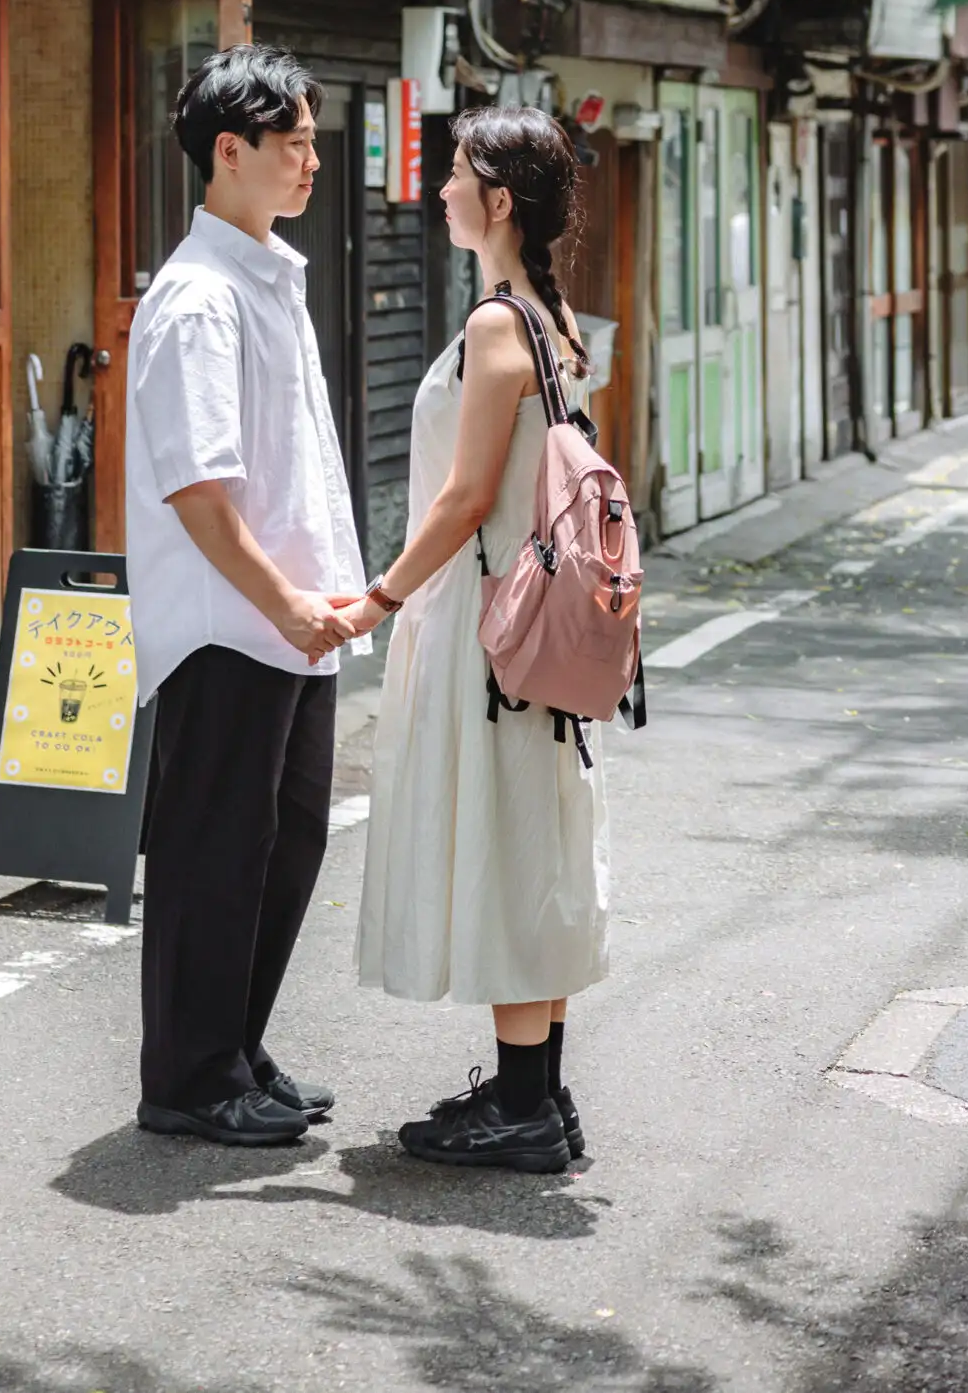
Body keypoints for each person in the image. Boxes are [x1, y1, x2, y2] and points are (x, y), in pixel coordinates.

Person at [340, 104, 612, 1174]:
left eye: (454, 172)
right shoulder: (550, 313)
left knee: (504, 846)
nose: (440, 187)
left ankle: (524, 1106)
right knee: (530, 841)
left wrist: (375, 599)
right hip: (534, 622)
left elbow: (462, 501)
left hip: (489, 622)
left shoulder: (503, 324)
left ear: (496, 198)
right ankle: (531, 1089)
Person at [126, 44, 363, 1148]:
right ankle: (186, 1073)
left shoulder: (268, 274)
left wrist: (320, 601)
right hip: (233, 624)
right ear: (230, 152)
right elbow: (201, 490)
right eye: (295, 141)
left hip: (289, 619)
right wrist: (283, 602)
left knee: (283, 843)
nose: (314, 158)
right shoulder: (199, 299)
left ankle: (235, 1045)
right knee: (214, 850)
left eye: (313, 137)